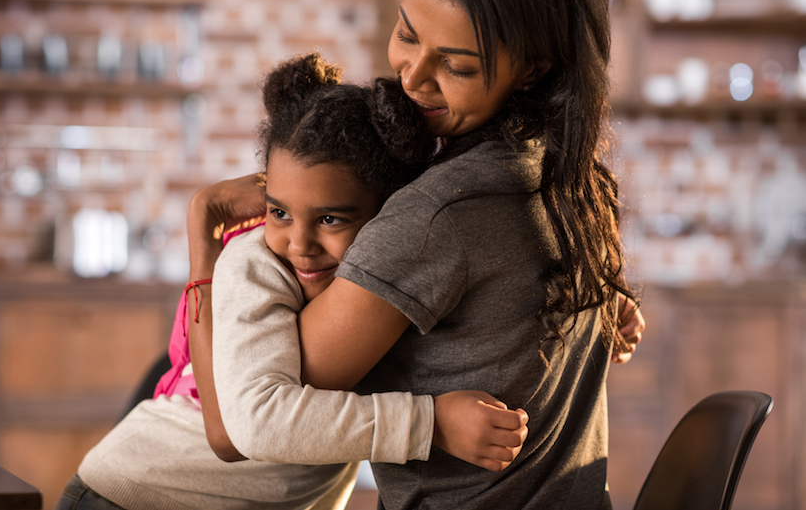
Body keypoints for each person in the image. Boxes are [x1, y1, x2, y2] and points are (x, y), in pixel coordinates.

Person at [186, 0, 646, 508]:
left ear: (535, 68)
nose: (413, 79)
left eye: (456, 65)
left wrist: (204, 235)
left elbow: (237, 427)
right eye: (407, 35)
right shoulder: (570, 181)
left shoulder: (434, 218)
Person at [55, 53, 528, 510]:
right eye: (279, 212)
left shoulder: (385, 275)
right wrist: (431, 423)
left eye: (329, 219)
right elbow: (247, 428)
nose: (298, 243)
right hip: (136, 497)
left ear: (388, 216)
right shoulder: (254, 263)